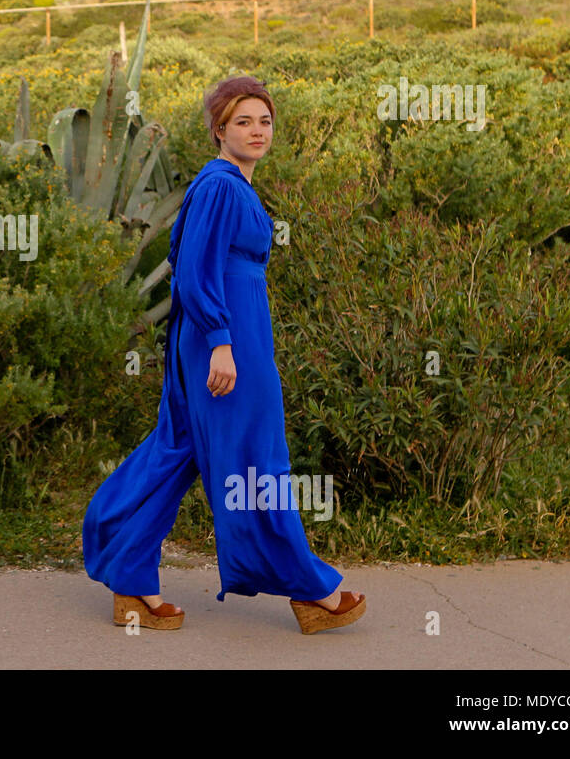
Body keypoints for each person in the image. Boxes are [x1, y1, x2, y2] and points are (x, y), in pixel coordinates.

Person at [81, 75, 366, 635]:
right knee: (258, 460)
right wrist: (221, 345)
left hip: (230, 340)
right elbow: (193, 271)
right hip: (227, 345)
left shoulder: (234, 184)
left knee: (180, 450)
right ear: (219, 129)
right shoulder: (221, 186)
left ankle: (129, 577)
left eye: (265, 120)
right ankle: (309, 589)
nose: (257, 131)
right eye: (243, 121)